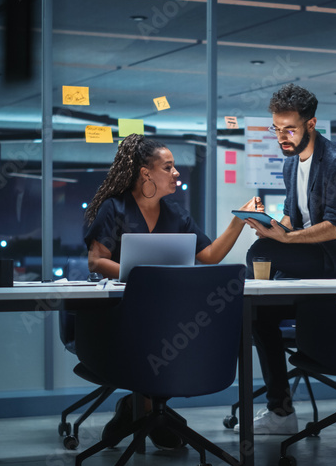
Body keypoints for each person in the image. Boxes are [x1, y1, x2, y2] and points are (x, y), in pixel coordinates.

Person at [83, 133, 258, 449]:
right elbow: (97, 261)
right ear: (146, 173)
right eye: (168, 167)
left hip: (163, 315)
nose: (176, 172)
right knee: (161, 338)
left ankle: (143, 408)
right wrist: (140, 277)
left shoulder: (176, 214)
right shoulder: (115, 208)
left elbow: (210, 257)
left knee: (185, 333)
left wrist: (240, 219)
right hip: (120, 313)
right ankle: (147, 410)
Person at [240, 83, 336, 435]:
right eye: (277, 128)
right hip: (311, 262)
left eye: (290, 129)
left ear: (311, 124)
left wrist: (283, 239)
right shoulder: (290, 164)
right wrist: (273, 227)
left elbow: (335, 228)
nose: (282, 136)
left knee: (260, 254)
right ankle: (282, 412)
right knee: (258, 312)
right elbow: (291, 217)